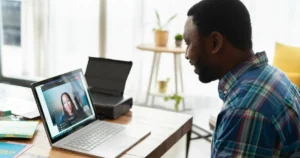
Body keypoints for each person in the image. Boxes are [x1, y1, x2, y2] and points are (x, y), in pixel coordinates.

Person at [184, 0, 300, 157]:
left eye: (189, 43)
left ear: (215, 43)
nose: (186, 54)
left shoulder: (244, 111)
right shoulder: (274, 75)